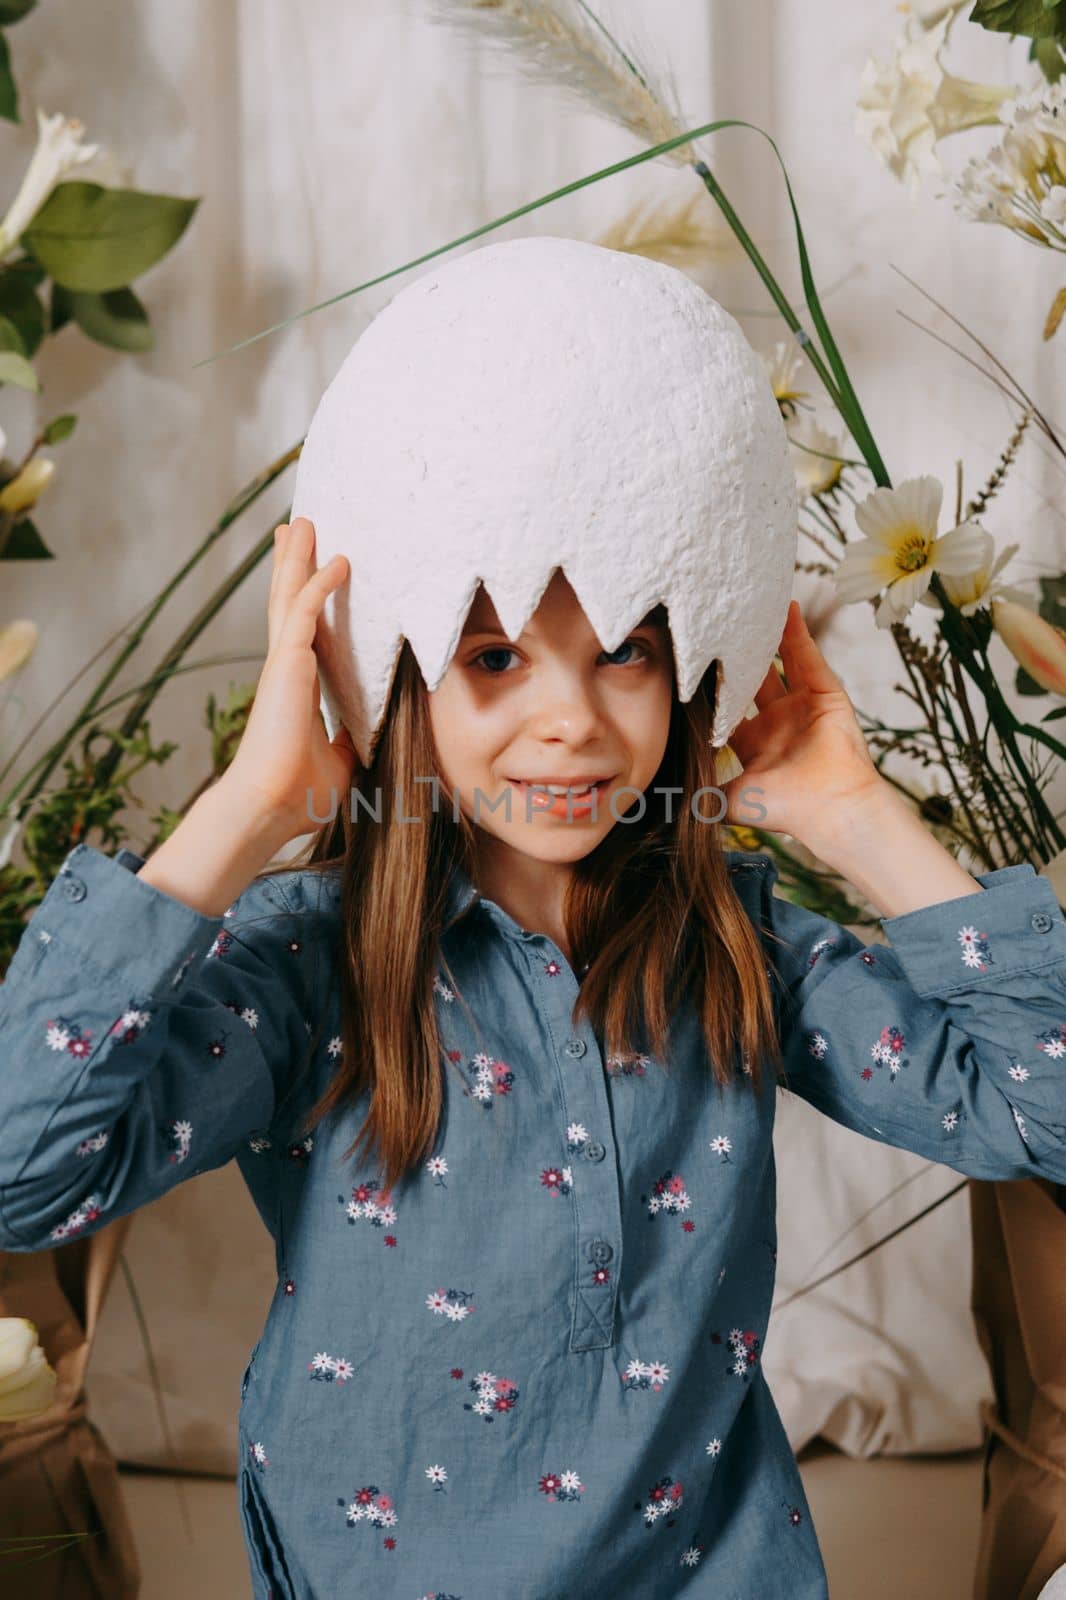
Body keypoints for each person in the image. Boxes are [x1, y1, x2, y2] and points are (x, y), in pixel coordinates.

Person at [1, 519, 1065, 1600]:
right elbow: (19, 1172)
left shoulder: (740, 941)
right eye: (494, 657)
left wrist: (858, 819)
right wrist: (248, 808)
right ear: (397, 680)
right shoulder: (306, 959)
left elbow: (1049, 1113)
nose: (570, 721)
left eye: (624, 653)